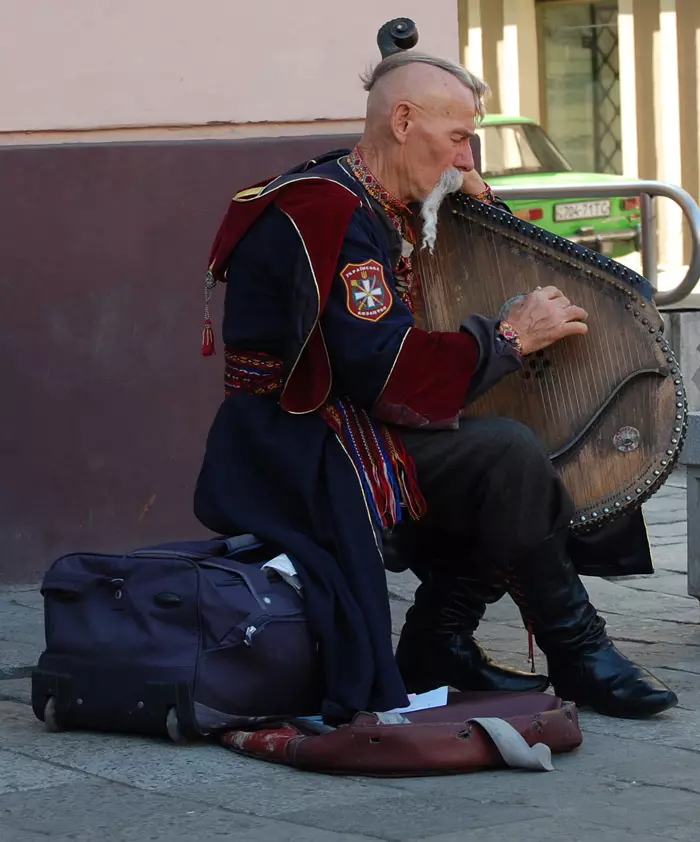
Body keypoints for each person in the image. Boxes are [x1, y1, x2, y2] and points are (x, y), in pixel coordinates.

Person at [194, 51, 677, 722]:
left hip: (353, 418)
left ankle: (439, 640)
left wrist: (484, 213)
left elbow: (441, 306)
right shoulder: (325, 211)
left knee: (522, 446)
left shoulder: (383, 196)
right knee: (505, 454)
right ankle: (578, 652)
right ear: (402, 121)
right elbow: (384, 369)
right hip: (301, 439)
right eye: (457, 137)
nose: (466, 154)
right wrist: (506, 340)